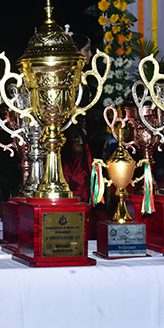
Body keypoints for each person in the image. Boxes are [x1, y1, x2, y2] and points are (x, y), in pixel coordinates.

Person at [61, 33, 94, 203]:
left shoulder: (82, 79)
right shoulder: (68, 81)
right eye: (86, 50)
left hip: (80, 138)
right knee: (75, 181)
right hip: (70, 142)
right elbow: (67, 113)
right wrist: (73, 138)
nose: (90, 55)